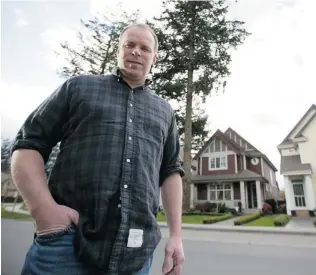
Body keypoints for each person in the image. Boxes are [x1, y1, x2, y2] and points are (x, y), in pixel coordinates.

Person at [10, 23, 185, 275]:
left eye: (144, 48)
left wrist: (176, 236)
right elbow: (28, 143)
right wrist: (43, 212)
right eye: (129, 45)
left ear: (154, 57)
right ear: (118, 50)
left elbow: (171, 171)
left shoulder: (165, 111)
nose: (136, 51)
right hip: (65, 245)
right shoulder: (78, 87)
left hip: (135, 255)